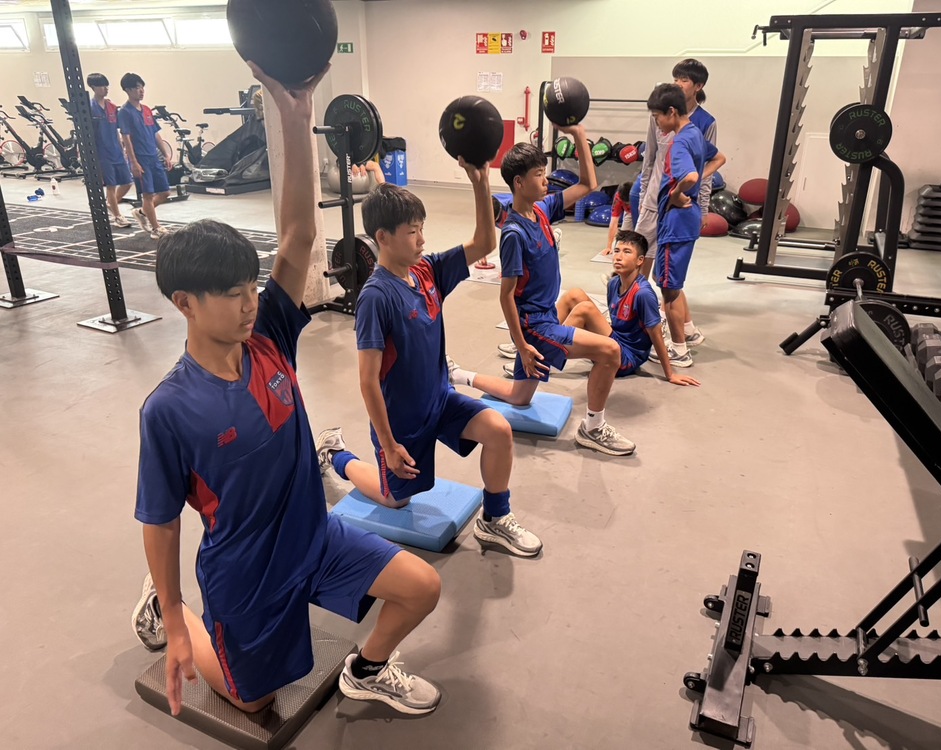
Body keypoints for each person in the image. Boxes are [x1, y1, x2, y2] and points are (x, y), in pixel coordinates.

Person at [131, 62, 443, 719]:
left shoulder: (269, 334)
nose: (251, 303)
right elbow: (159, 520)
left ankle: (367, 670)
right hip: (246, 569)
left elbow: (299, 235)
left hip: (314, 536)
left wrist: (297, 114)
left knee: (421, 587)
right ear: (185, 303)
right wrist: (178, 611)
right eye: (232, 294)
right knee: (254, 702)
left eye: (252, 287)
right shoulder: (169, 409)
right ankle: (171, 611)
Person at [315, 162, 542, 558]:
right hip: (402, 422)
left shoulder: (427, 270)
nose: (422, 239)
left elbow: (484, 243)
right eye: (412, 232)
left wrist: (480, 182)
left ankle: (495, 519)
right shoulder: (376, 298)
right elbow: (368, 380)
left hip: (439, 400)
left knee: (498, 430)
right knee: (394, 499)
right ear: (383, 238)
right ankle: (336, 454)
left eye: (422, 228)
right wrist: (388, 445)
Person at [447, 130, 637, 457]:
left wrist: (578, 133)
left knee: (519, 397)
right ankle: (593, 428)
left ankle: (458, 375)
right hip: (535, 327)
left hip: (545, 315)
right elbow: (506, 296)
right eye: (539, 174)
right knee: (610, 352)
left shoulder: (543, 209)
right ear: (519, 182)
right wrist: (522, 346)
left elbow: (588, 184)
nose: (546, 180)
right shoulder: (514, 234)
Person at [508, 229, 699, 386]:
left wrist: (670, 374)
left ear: (640, 260)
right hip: (615, 339)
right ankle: (533, 342)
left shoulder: (643, 294)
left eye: (627, 252)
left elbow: (656, 335)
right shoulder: (614, 284)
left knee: (585, 309)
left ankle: (540, 359)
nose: (619, 257)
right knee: (575, 294)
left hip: (625, 358)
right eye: (617, 251)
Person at [636, 59, 720, 361]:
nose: (657, 123)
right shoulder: (689, 130)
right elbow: (718, 158)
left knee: (667, 286)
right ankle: (688, 330)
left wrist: (679, 194)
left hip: (676, 215)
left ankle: (678, 348)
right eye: (676, 78)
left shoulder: (688, 135)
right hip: (656, 205)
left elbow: (694, 175)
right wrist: (649, 197)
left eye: (684, 79)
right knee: (667, 278)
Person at [118, 73, 172, 239]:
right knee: (147, 195)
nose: (141, 91)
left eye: (142, 87)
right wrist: (134, 162)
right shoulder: (125, 112)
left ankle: (141, 212)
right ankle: (156, 228)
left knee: (165, 192)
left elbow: (155, 134)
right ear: (127, 90)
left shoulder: (147, 110)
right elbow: (126, 138)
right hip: (140, 159)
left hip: (153, 157)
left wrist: (166, 154)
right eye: (136, 88)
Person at [87, 73, 132, 228]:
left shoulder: (112, 107)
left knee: (127, 182)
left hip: (116, 151)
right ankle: (118, 216)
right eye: (102, 86)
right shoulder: (90, 108)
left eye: (107, 86)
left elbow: (116, 130)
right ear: (93, 87)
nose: (105, 89)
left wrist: (123, 150)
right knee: (111, 186)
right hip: (102, 153)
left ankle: (110, 204)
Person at [600, 181, 633, 256]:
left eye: (628, 203)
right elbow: (614, 222)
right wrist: (609, 247)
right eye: (626, 203)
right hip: (629, 213)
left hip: (643, 211)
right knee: (619, 243)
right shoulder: (618, 198)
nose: (628, 205)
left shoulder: (640, 194)